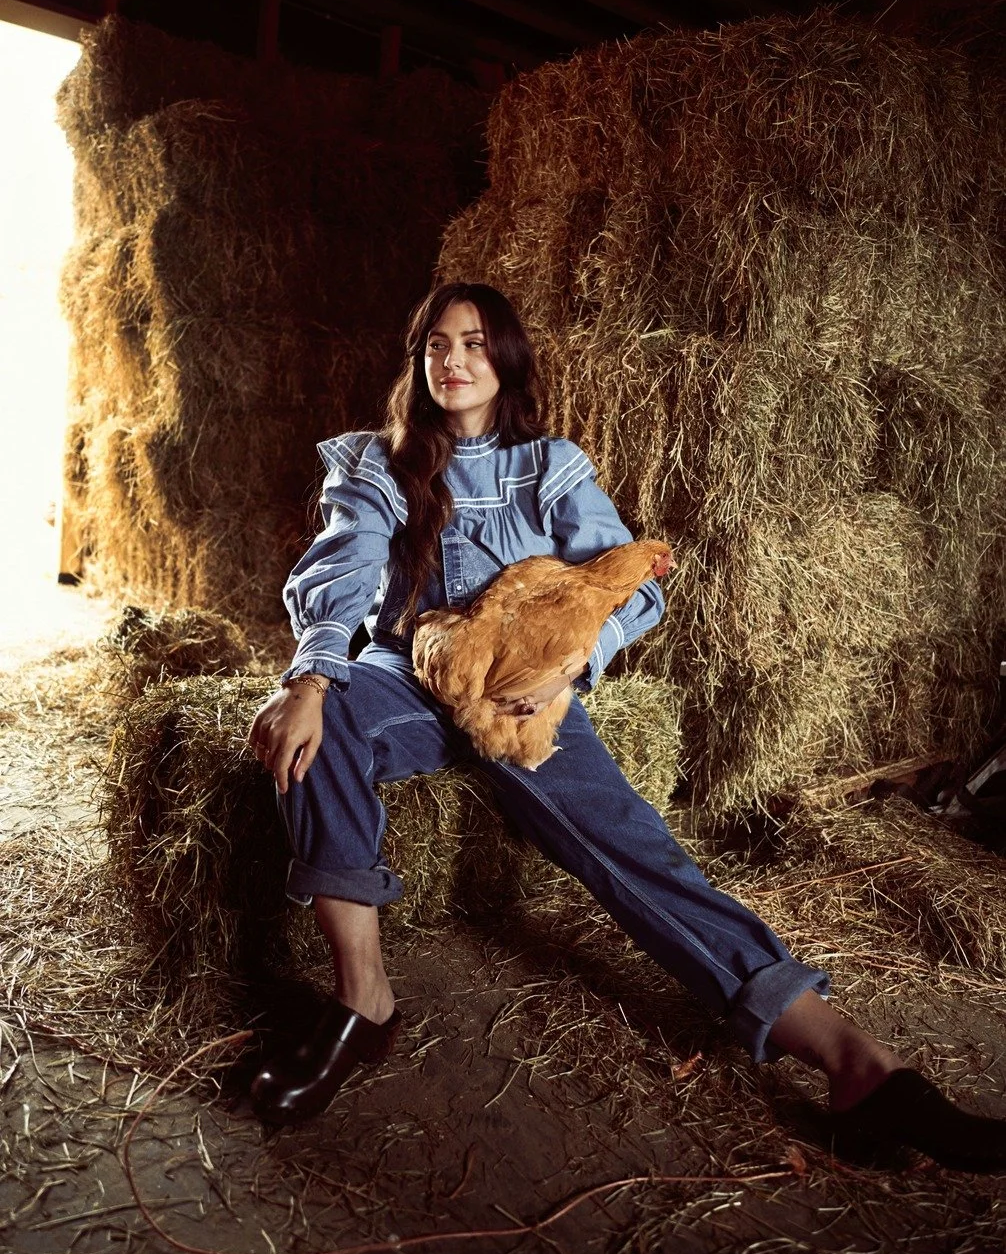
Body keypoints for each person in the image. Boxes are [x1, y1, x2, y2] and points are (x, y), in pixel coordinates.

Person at [248, 282, 1006, 1169]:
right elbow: (342, 564)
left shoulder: (552, 466)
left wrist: (571, 661)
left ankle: (862, 1069)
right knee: (325, 722)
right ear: (418, 362)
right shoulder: (377, 464)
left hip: (525, 697)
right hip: (412, 672)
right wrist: (309, 674)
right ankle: (362, 1000)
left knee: (639, 855)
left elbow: (631, 580)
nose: (454, 362)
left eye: (476, 344)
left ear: (507, 361)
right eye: (437, 346)